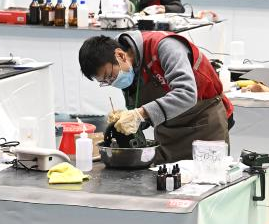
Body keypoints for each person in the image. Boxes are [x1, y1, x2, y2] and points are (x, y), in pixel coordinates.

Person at [78, 32, 233, 163]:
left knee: (207, 180)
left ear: (120, 55)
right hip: (168, 132)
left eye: (110, 76)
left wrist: (139, 114)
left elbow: (186, 93)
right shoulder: (127, 70)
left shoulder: (164, 47)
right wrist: (126, 121)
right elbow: (144, 113)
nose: (112, 82)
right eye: (105, 82)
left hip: (203, 125)